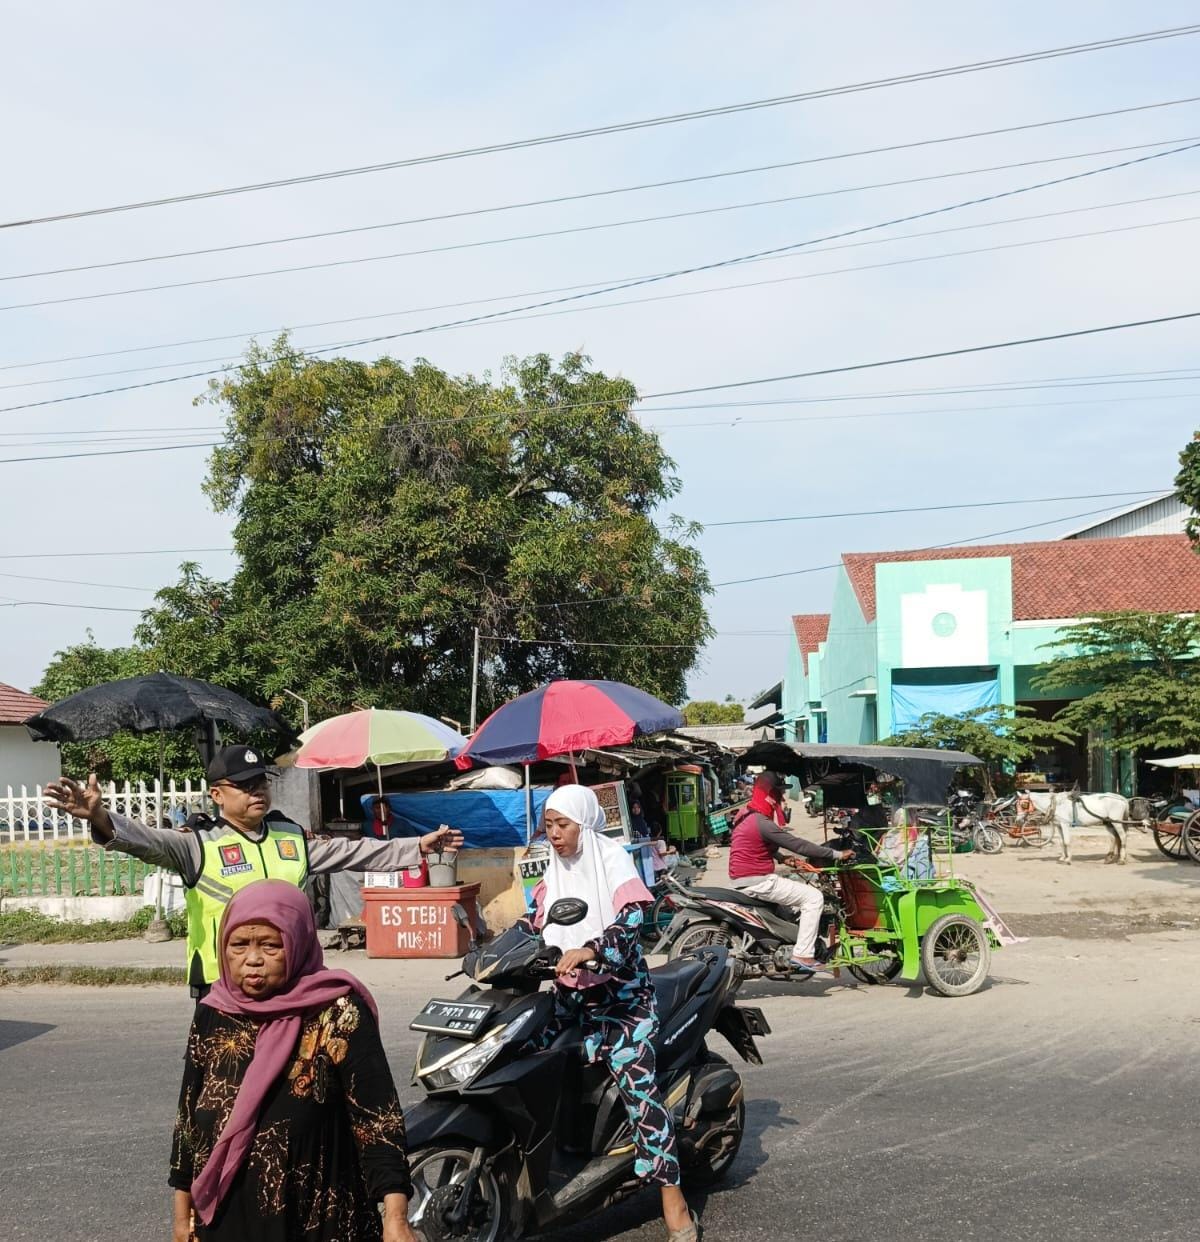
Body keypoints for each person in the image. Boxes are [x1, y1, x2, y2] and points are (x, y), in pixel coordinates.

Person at [45, 745, 464, 997]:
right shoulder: (198, 844)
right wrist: (99, 818)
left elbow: (351, 853)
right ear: (216, 795)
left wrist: (416, 848)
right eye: (244, 786)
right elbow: (146, 840)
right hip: (223, 987)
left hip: (293, 980)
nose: (256, 792)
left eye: (259, 783)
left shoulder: (288, 836)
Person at [170, 880, 418, 1242]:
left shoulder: (338, 1011)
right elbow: (189, 1119)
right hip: (227, 1219)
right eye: (239, 945)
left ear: (297, 942)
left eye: (270, 945)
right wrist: (182, 1214)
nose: (252, 959)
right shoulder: (213, 1012)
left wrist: (395, 1218)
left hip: (318, 1218)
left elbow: (378, 1121)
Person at [522, 785, 698, 1242]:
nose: (554, 835)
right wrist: (495, 951)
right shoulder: (553, 872)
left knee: (639, 1091)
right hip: (570, 996)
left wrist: (592, 949)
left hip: (622, 999)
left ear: (584, 822)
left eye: (563, 825)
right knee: (523, 1051)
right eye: (549, 826)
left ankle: (671, 1196)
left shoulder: (613, 860)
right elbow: (533, 919)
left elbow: (630, 920)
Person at [727, 772, 853, 974]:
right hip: (758, 880)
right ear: (769, 794)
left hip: (743, 878)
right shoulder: (762, 822)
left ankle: (784, 948)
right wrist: (837, 854)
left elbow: (756, 845)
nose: (781, 799)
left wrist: (782, 858)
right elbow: (798, 845)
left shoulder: (745, 815)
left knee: (789, 910)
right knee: (814, 897)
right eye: (778, 794)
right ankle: (803, 953)